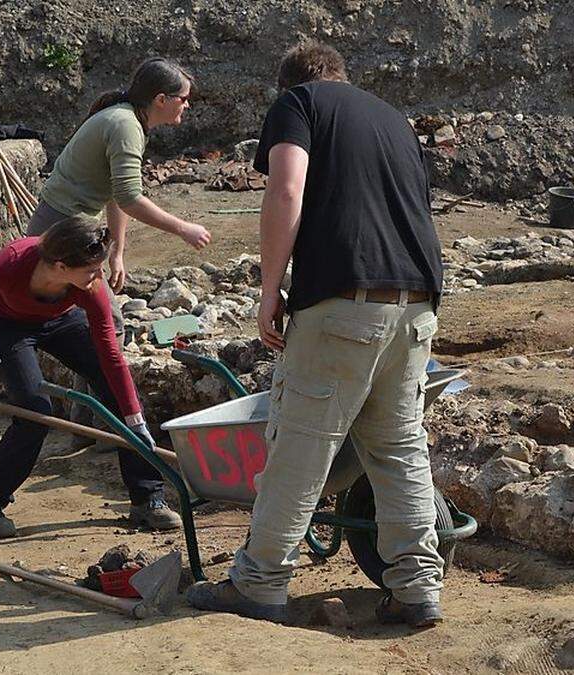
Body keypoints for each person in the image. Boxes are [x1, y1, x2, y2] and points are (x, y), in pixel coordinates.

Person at [186, 42, 446, 628]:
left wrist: (270, 290)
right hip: (416, 302)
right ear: (343, 76)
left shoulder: (297, 104)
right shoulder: (392, 119)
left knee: (301, 445)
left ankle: (259, 582)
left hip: (343, 302)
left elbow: (285, 190)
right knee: (398, 446)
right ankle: (417, 587)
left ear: (291, 85)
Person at [0, 216, 181, 539]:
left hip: (62, 320)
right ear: (59, 266)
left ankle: (147, 497)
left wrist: (135, 418)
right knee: (35, 413)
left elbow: (111, 355)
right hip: (6, 325)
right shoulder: (11, 262)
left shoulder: (90, 288)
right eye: (91, 271)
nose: (99, 278)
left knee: (121, 396)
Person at [29, 57, 212, 294]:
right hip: (62, 225)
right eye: (184, 99)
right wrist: (183, 229)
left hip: (69, 222)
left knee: (85, 313)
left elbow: (117, 194)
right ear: (161, 100)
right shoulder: (125, 126)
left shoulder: (130, 121)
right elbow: (130, 198)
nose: (187, 105)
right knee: (103, 319)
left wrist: (117, 251)